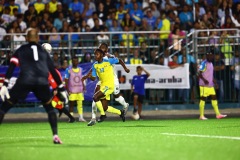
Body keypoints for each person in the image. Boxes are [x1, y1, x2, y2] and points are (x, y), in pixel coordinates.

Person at [0, 29, 68, 144]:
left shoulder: (21, 49)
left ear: (26, 38)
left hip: (24, 80)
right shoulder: (43, 51)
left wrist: (5, 84)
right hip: (41, 82)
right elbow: (52, 70)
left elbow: (12, 65)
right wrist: (61, 87)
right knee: (49, 109)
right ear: (37, 38)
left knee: (4, 107)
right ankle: (55, 136)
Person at [84, 43, 130, 126]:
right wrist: (89, 76)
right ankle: (95, 118)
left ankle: (123, 106)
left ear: (105, 51)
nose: (101, 48)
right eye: (100, 47)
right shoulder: (95, 63)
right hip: (101, 82)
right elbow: (93, 73)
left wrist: (125, 68)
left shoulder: (109, 58)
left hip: (111, 81)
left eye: (103, 48)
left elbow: (119, 60)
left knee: (114, 97)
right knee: (100, 103)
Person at [42, 43, 75, 123]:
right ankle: (69, 116)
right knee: (56, 105)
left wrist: (56, 89)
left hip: (56, 88)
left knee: (53, 104)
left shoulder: (51, 72)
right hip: (56, 87)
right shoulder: (49, 66)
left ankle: (69, 117)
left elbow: (55, 80)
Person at [198, 49, 227, 120]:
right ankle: (201, 116)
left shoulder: (211, 63)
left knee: (214, 98)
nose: (211, 57)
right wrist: (204, 80)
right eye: (209, 56)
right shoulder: (204, 63)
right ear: (207, 56)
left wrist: (215, 82)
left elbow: (211, 75)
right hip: (204, 85)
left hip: (210, 85)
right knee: (203, 99)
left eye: (212, 56)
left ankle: (218, 114)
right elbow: (199, 73)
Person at [65, 56, 86, 122]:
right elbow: (66, 80)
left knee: (80, 104)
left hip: (79, 89)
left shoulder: (81, 69)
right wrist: (67, 89)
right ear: (72, 62)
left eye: (76, 61)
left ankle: (81, 117)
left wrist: (84, 86)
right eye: (74, 61)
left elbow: (82, 79)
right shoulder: (68, 70)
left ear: (78, 62)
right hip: (72, 90)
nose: (75, 62)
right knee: (71, 104)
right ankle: (71, 118)